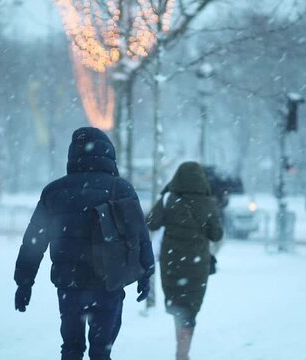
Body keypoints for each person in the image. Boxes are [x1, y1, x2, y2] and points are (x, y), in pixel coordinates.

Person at [13, 127, 155, 360]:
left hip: (70, 286)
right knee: (101, 352)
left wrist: (24, 283)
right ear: (108, 154)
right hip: (108, 283)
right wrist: (145, 273)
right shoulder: (121, 189)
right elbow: (140, 236)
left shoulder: (54, 192)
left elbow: (33, 242)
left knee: (71, 348)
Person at [146, 162, 224, 360]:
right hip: (197, 266)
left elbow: (151, 222)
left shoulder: (169, 199)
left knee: (178, 307)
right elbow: (216, 235)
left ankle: (181, 351)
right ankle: (183, 353)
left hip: (172, 263)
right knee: (190, 309)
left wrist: (166, 193)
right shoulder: (208, 203)